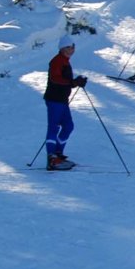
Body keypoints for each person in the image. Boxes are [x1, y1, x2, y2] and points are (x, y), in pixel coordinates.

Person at [43, 35, 88, 171]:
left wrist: (76, 82)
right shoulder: (57, 61)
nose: (71, 50)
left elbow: (64, 81)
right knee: (54, 127)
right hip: (54, 99)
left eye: (73, 47)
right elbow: (55, 79)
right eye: (68, 47)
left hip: (62, 100)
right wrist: (73, 82)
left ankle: (58, 154)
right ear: (62, 48)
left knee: (68, 126)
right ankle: (52, 159)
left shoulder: (65, 61)